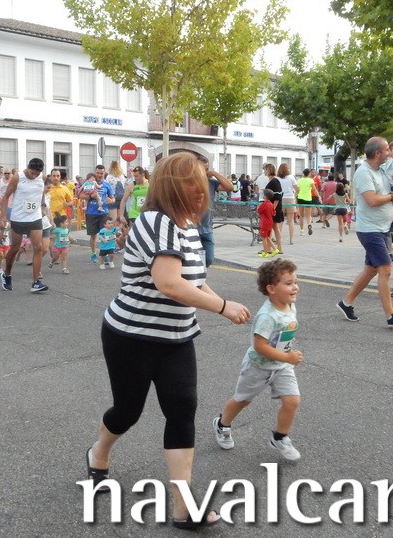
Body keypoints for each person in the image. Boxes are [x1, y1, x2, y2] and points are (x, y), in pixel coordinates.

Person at [84, 152, 250, 530]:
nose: (201, 189)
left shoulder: (187, 224)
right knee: (127, 412)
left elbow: (193, 280)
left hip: (176, 337)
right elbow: (169, 283)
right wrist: (223, 306)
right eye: (193, 182)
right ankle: (98, 452)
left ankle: (183, 508)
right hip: (132, 336)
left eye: (203, 181)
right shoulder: (156, 221)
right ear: (173, 186)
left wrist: (220, 301)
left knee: (181, 411)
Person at [213, 258, 303, 461]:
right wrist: (287, 356)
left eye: (296, 282)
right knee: (242, 400)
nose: (295, 287)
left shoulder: (289, 305)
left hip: (281, 366)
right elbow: (260, 346)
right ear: (271, 288)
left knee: (292, 401)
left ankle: (279, 437)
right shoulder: (267, 316)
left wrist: (285, 357)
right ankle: (222, 424)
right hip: (258, 367)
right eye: (289, 283)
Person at [336, 137, 393, 328]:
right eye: (387, 149)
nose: (390, 152)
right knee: (385, 269)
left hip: (383, 228)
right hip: (370, 230)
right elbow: (372, 200)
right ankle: (391, 315)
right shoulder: (363, 173)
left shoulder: (383, 170)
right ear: (378, 153)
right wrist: (392, 196)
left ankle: (346, 303)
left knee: (371, 270)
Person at [0, 158, 48, 293]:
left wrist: (43, 205)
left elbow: (41, 192)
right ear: (28, 167)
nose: (34, 176)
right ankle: (7, 274)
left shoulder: (42, 178)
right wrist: (3, 216)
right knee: (15, 248)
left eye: (37, 174)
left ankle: (36, 282)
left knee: (38, 247)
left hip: (35, 217)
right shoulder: (17, 177)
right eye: (33, 173)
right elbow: (6, 197)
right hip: (19, 217)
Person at [197, 155, 234, 267]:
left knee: (208, 258)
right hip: (192, 228)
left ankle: (200, 273)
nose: (205, 172)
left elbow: (229, 187)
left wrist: (214, 174)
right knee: (195, 261)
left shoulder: (211, 183)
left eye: (206, 169)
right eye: (201, 168)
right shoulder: (190, 182)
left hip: (207, 228)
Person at [79, 165, 114, 264]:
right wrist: (90, 197)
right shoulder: (88, 183)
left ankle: (105, 254)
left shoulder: (106, 184)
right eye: (98, 173)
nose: (99, 175)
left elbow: (113, 197)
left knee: (105, 234)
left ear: (104, 173)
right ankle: (93, 253)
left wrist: (111, 201)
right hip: (91, 212)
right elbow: (80, 195)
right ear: (95, 172)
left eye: (101, 173)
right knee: (93, 236)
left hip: (104, 213)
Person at [277, 164, 299, 245]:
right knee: (291, 220)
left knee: (280, 221)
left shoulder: (277, 178)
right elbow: (297, 188)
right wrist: (295, 195)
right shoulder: (291, 177)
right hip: (290, 199)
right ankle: (291, 239)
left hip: (281, 199)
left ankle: (279, 239)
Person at [257, 188, 277, 257]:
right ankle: (275, 249)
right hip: (270, 222)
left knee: (264, 238)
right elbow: (274, 213)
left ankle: (265, 253)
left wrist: (259, 207)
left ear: (265, 196)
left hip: (264, 223)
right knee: (268, 237)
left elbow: (259, 212)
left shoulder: (264, 204)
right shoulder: (271, 204)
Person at [296, 168, 314, 236]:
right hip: (308, 199)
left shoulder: (299, 180)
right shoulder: (311, 180)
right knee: (308, 215)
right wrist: (319, 196)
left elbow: (297, 190)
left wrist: (296, 196)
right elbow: (314, 189)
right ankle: (309, 224)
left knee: (301, 215)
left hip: (300, 198)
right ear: (309, 174)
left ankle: (302, 230)